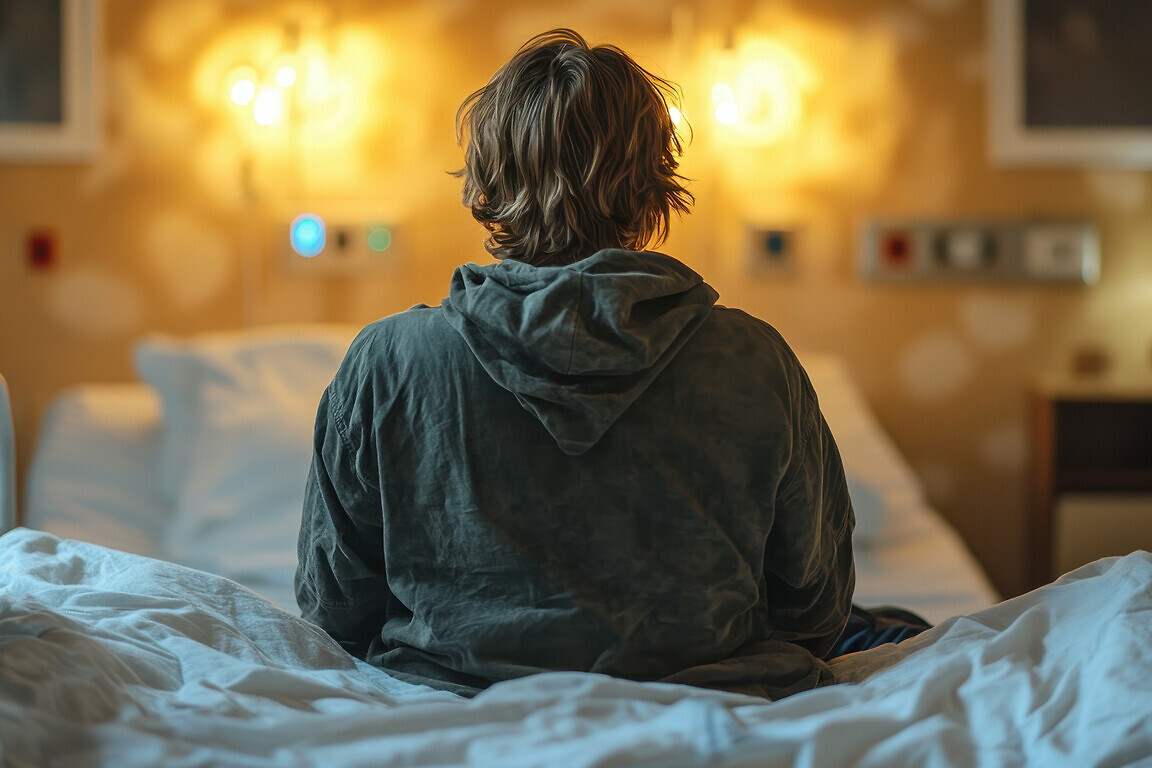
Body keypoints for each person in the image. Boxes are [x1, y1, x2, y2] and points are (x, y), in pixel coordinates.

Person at [296, 28, 921, 700]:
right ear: (656, 183)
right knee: (896, 629)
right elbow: (816, 610)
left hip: (454, 695)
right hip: (715, 700)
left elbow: (334, 608)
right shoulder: (757, 361)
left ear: (487, 176)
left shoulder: (387, 363)